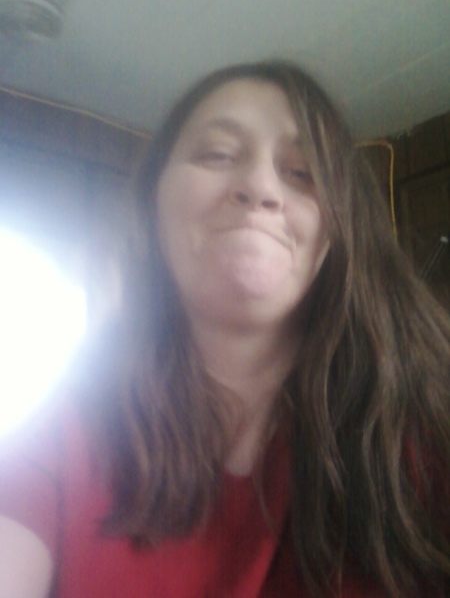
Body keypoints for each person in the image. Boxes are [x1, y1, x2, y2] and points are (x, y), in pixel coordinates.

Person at [0, 61, 449, 598]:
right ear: (153, 202)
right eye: (216, 154)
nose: (260, 187)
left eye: (301, 171)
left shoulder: (424, 427)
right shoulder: (63, 428)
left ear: (336, 231)